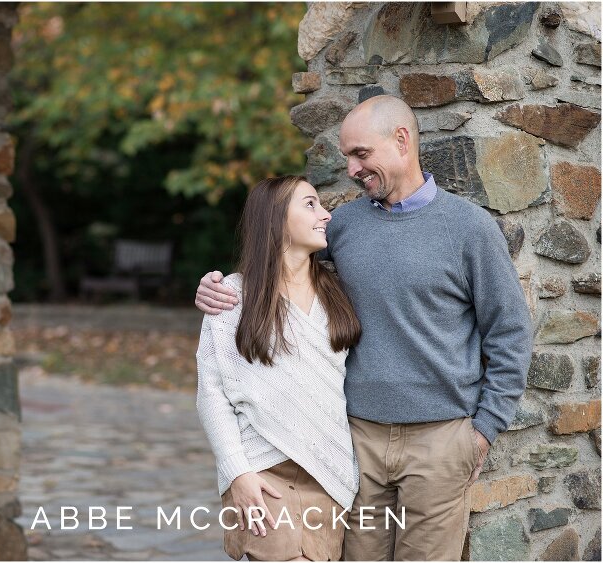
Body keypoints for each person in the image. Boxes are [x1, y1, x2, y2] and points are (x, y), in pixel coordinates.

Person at [195, 95, 533, 561]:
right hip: (358, 443)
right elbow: (278, 258)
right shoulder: (342, 225)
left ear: (401, 141)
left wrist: (484, 429)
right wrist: (215, 287)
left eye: (360, 154)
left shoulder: (469, 228)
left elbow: (511, 332)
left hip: (440, 440)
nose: (351, 169)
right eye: (347, 157)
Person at [196, 175, 363, 561]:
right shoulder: (232, 296)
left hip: (328, 474)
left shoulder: (337, 291)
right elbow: (213, 394)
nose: (325, 214)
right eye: (310, 204)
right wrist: (238, 473)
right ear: (275, 219)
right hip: (261, 474)